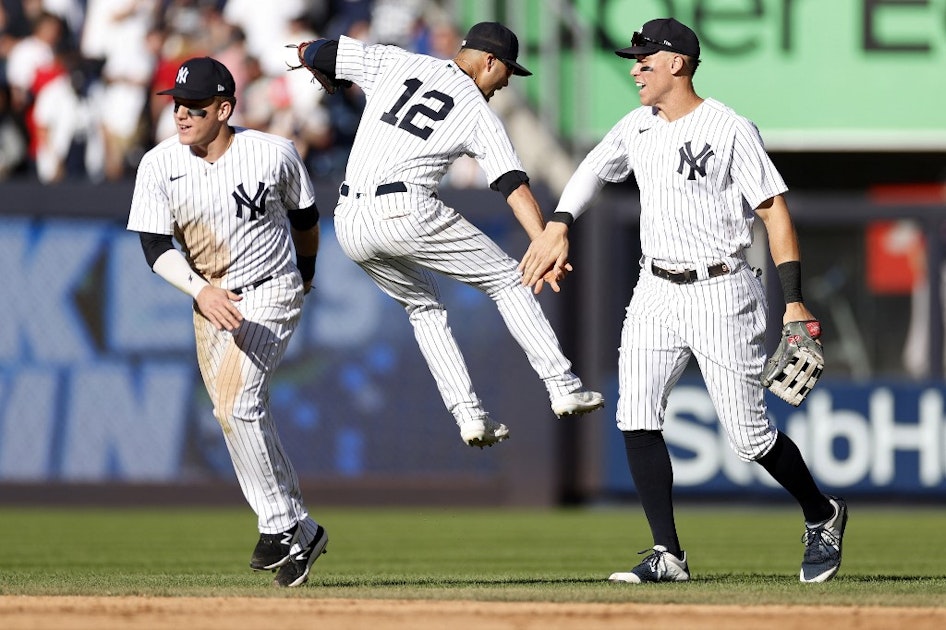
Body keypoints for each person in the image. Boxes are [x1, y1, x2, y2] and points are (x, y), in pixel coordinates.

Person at [520, 18, 848, 583]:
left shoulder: (729, 128)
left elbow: (773, 212)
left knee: (748, 439)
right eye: (635, 58)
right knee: (635, 414)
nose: (635, 68)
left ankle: (823, 513)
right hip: (654, 288)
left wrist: (793, 302)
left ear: (678, 63)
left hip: (722, 289)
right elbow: (591, 172)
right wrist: (558, 225)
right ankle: (667, 553)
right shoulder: (636, 125)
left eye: (645, 59)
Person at [290, 21, 605, 447]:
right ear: (488, 60)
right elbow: (513, 184)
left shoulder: (395, 61)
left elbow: (315, 50)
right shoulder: (476, 110)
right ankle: (562, 386)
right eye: (507, 70)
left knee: (423, 308)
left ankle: (469, 417)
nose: (507, 81)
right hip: (405, 209)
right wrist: (543, 239)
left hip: (348, 221)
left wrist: (318, 67)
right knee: (507, 279)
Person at [126, 56, 327, 588]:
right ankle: (301, 528)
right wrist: (200, 290)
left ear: (224, 108)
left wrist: (306, 273)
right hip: (209, 297)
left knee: (237, 402)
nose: (182, 114)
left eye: (195, 106)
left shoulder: (273, 152)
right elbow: (153, 246)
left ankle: (280, 524)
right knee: (231, 411)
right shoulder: (158, 163)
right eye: (177, 104)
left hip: (272, 288)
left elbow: (306, 221)